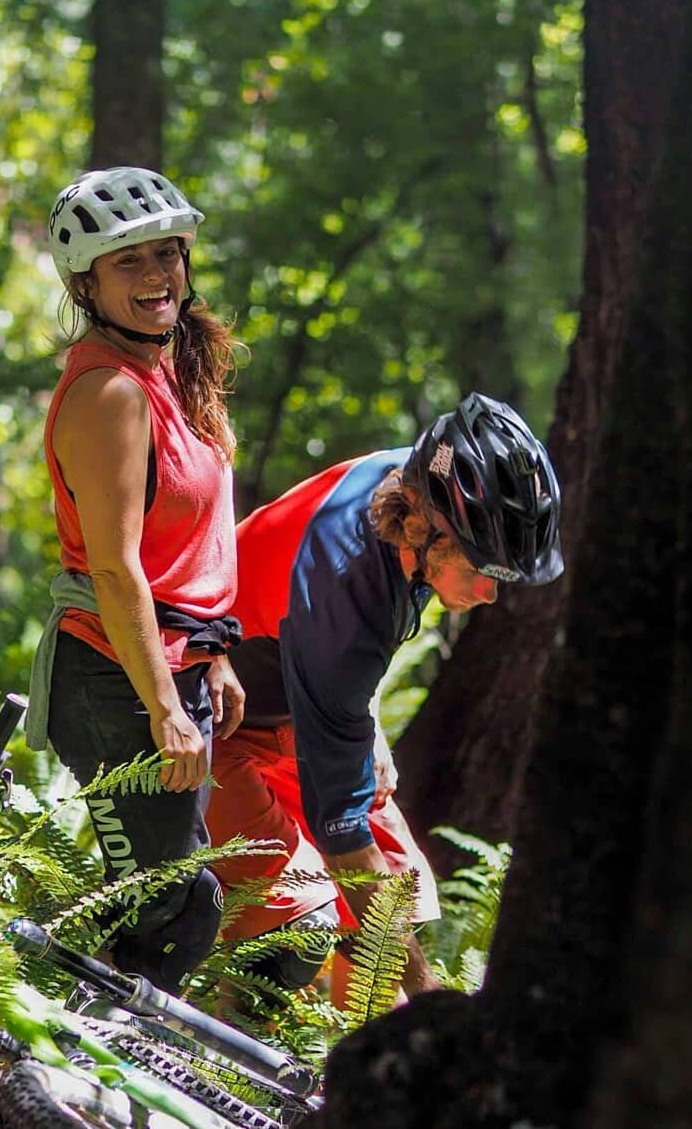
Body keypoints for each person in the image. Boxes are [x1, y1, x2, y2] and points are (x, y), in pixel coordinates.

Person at [206, 392, 564, 1000]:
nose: (491, 595)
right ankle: (227, 1067)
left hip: (293, 701)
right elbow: (344, 841)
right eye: (488, 572)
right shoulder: (346, 598)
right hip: (207, 718)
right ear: (429, 530)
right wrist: (430, 1002)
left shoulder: (413, 485)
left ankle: (357, 1071)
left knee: (403, 899)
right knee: (294, 933)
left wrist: (368, 721)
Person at [25, 165, 245, 994]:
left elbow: (192, 546)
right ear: (86, 281)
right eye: (129, 261)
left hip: (174, 665)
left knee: (170, 904)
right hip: (116, 678)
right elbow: (115, 568)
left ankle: (101, 1071)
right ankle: (38, 1056)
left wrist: (214, 654)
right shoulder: (110, 392)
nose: (158, 275)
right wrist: (162, 705)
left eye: (167, 253)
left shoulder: (171, 373)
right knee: (168, 906)